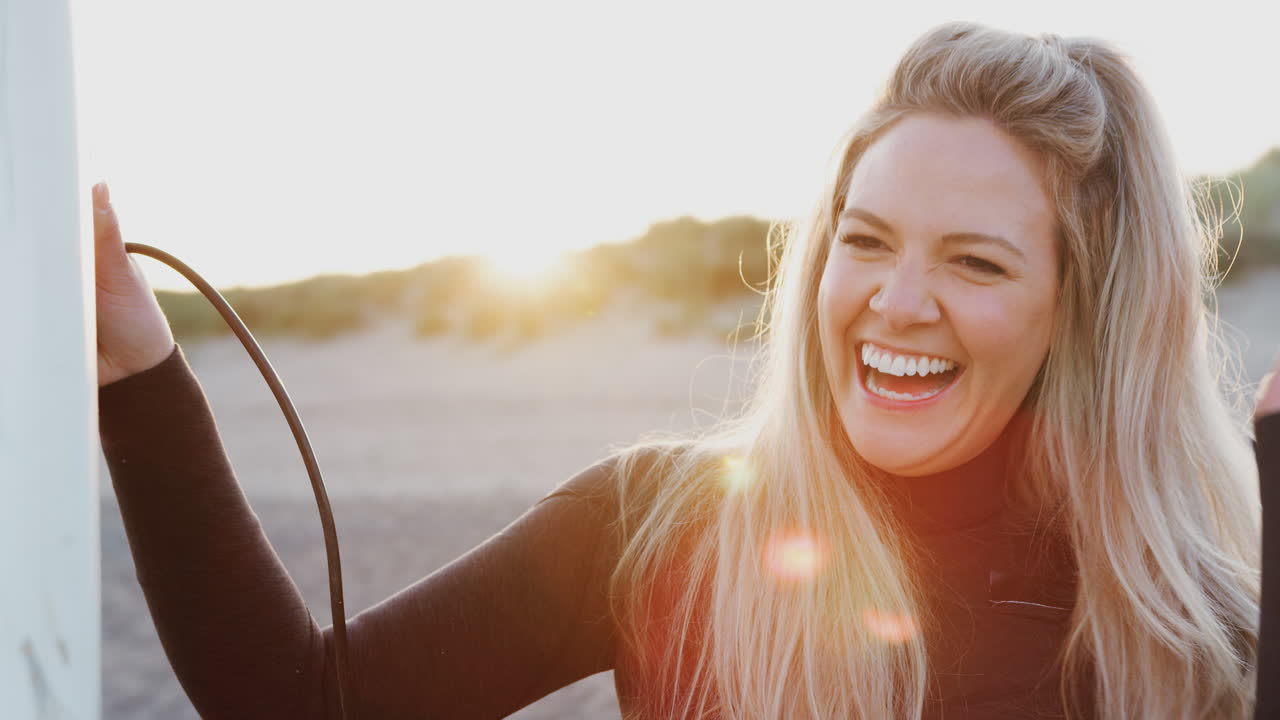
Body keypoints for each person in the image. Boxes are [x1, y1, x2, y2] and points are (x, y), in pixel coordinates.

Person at [95, 21, 1280, 720]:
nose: (894, 301)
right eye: (862, 241)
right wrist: (138, 369)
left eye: (973, 261)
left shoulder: (1182, 629)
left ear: (1078, 313)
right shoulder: (658, 527)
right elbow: (298, 704)